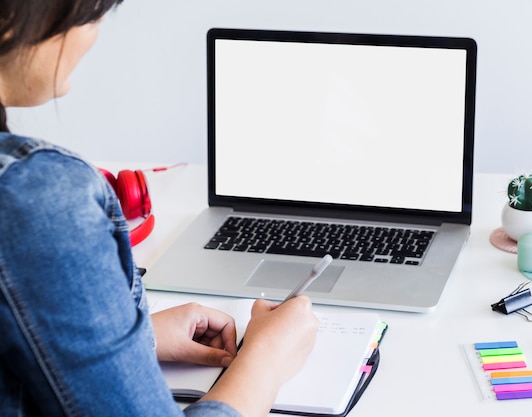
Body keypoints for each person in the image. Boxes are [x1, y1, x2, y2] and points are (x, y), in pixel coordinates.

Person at [0, 1, 320, 416]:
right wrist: (268, 357)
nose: (93, 33)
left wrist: (131, 340)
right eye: (90, 14)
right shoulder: (35, 197)